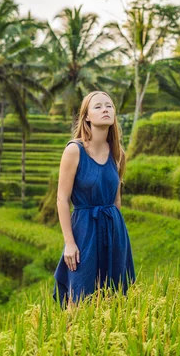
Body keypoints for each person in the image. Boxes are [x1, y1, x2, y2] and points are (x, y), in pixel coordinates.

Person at [53, 91, 136, 307]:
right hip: (84, 230)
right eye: (98, 106)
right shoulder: (74, 150)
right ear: (87, 116)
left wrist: (117, 236)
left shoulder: (117, 153)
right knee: (79, 295)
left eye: (109, 105)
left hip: (113, 229)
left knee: (115, 297)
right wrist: (69, 243)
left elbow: (117, 200)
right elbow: (62, 199)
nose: (105, 109)